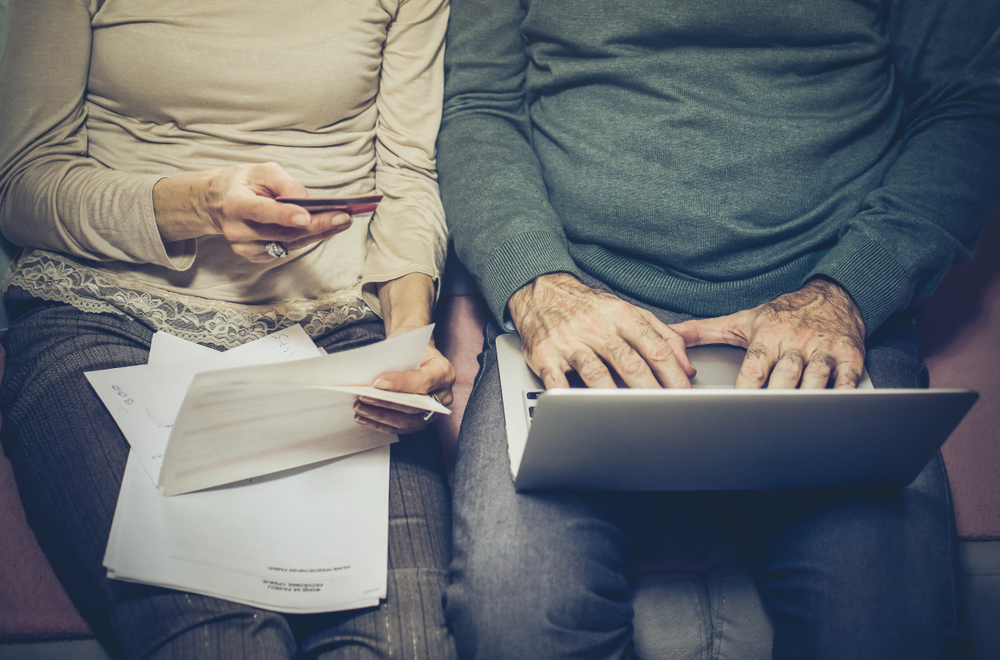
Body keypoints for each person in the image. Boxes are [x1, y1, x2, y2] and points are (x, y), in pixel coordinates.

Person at [436, 0, 1000, 658]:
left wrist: (846, 294)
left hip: (819, 320)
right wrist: (539, 288)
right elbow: (479, 106)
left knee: (883, 630)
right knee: (516, 616)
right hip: (581, 313)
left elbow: (966, 106)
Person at [0, 0, 457, 658]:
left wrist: (408, 339)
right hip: (107, 314)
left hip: (339, 330)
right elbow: (21, 185)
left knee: (401, 642)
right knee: (218, 640)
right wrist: (198, 204)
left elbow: (408, 178)